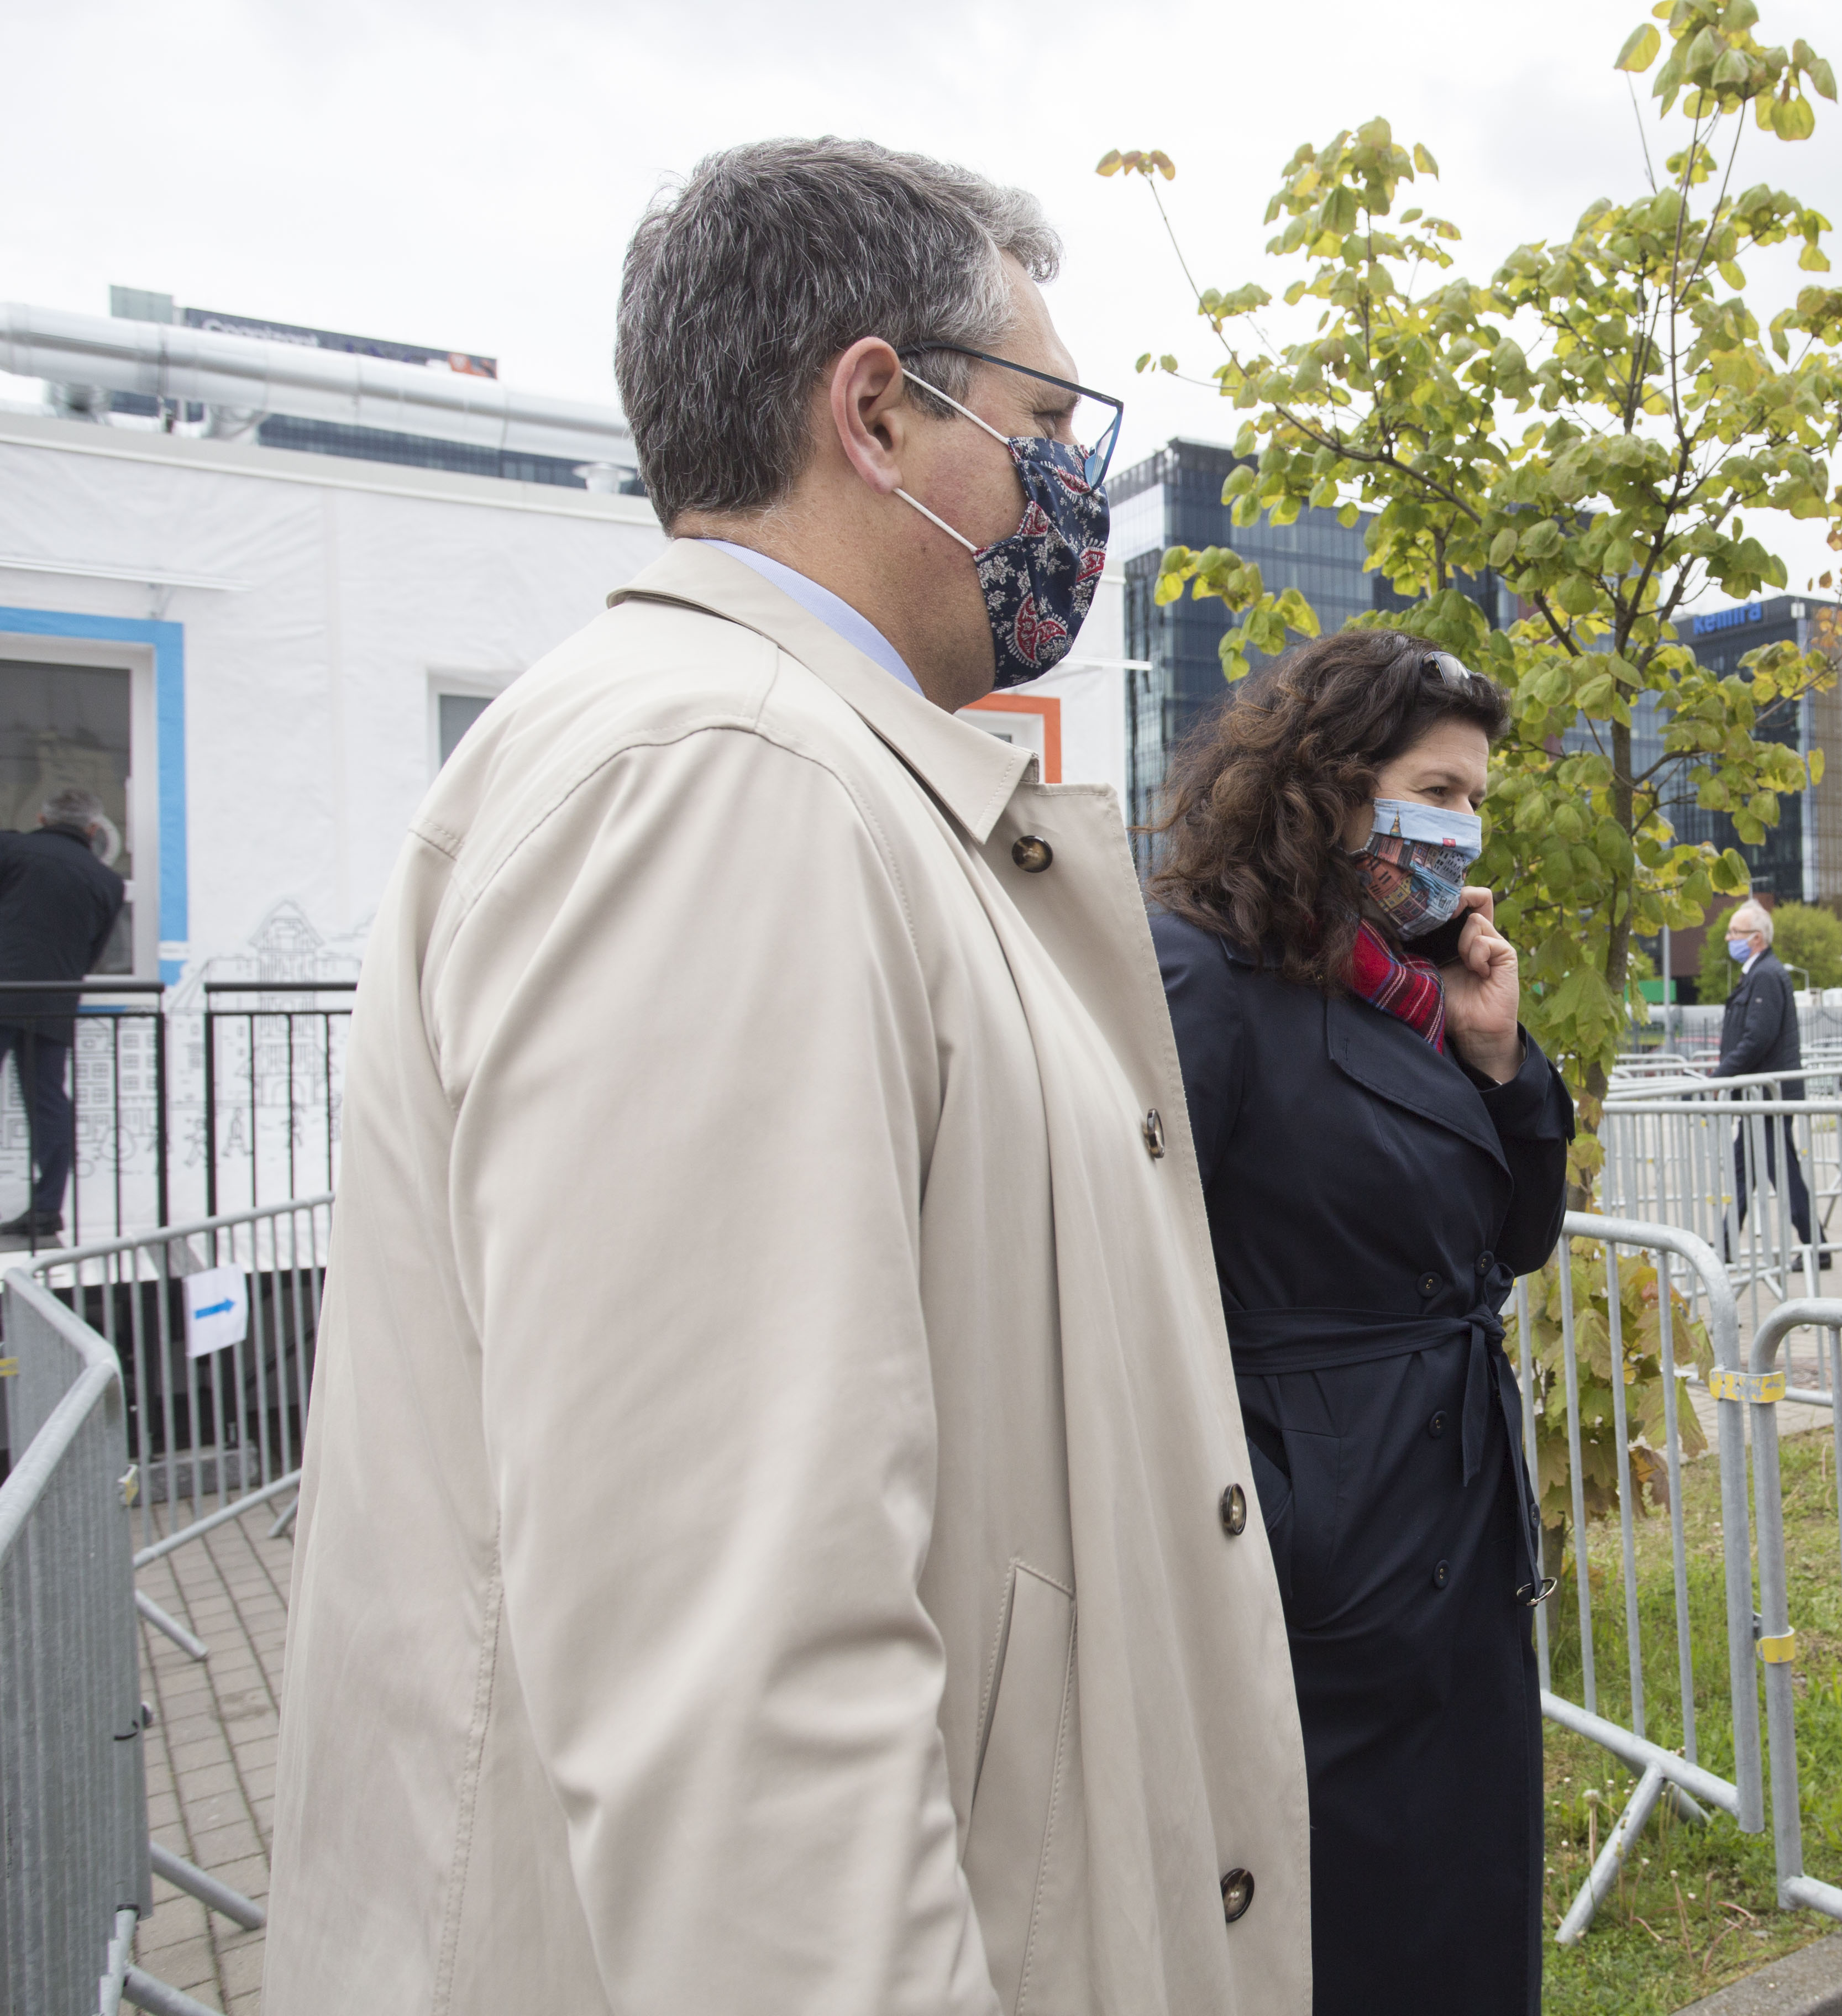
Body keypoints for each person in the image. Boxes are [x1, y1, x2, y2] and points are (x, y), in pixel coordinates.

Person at [269, 140, 1310, 2016]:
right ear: (876, 414)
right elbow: (742, 1678)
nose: (1072, 488)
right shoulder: (725, 782)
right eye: (1044, 423)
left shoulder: (810, 773)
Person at [1148, 630, 1572, 2016]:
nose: (1464, 829)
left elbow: (1511, 1242)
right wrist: (1290, 1509)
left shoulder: (1407, 984)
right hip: (1314, 1545)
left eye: (1475, 801)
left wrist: (1499, 1057)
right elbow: (1138, 1282)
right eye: (1437, 793)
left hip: (1452, 1522)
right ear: (1329, 787)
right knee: (1351, 1925)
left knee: (1464, 1904)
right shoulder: (1206, 979)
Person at [0, 785, 126, 1245]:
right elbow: (95, 952)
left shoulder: (11, 849)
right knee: (48, 1100)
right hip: (54, 997)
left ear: (42, 818)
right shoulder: (106, 881)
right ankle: (47, 1208)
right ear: (92, 829)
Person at [1714, 900, 1815, 1262]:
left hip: (1768, 1097)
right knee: (1745, 1169)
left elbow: (1758, 1038)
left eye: (1735, 932)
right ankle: (1726, 1244)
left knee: (1781, 1172)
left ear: (1756, 938)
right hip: (1758, 1096)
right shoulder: (1758, 973)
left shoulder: (1766, 975)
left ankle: (1816, 1245)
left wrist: (1720, 1076)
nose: (1729, 938)